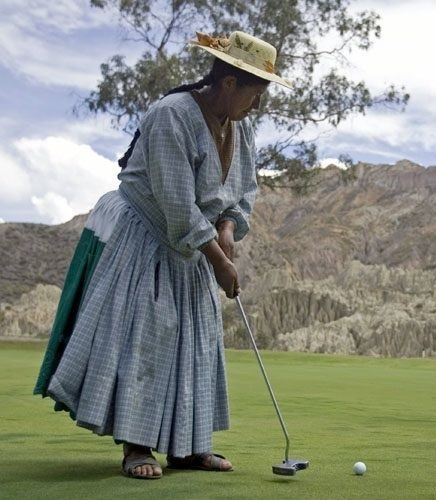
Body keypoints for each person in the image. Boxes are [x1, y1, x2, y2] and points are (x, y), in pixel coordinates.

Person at [34, 31, 292, 479]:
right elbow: (176, 203)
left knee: (196, 342)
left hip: (192, 244)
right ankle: (137, 447)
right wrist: (218, 259)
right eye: (255, 94)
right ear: (229, 83)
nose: (256, 106)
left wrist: (227, 228)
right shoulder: (171, 115)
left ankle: (187, 449)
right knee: (147, 335)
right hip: (147, 235)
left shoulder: (241, 128)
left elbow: (242, 191)